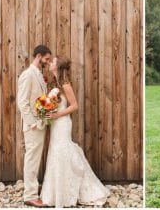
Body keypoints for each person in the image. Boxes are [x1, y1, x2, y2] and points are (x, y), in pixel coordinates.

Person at [40, 56, 110, 207]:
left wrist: (58, 114)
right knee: (55, 153)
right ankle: (55, 193)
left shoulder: (65, 84)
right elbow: (53, 103)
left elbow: (74, 106)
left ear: (58, 66)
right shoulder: (54, 83)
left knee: (63, 151)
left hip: (63, 123)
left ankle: (73, 189)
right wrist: (46, 109)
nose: (50, 63)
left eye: (52, 61)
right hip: (55, 124)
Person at [17, 45, 52, 207]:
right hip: (33, 126)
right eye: (46, 59)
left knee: (35, 157)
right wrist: (32, 123)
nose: (48, 62)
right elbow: (22, 102)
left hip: (40, 123)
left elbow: (39, 99)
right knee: (32, 158)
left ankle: (32, 186)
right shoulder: (28, 75)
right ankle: (30, 195)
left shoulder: (39, 74)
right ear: (38, 56)